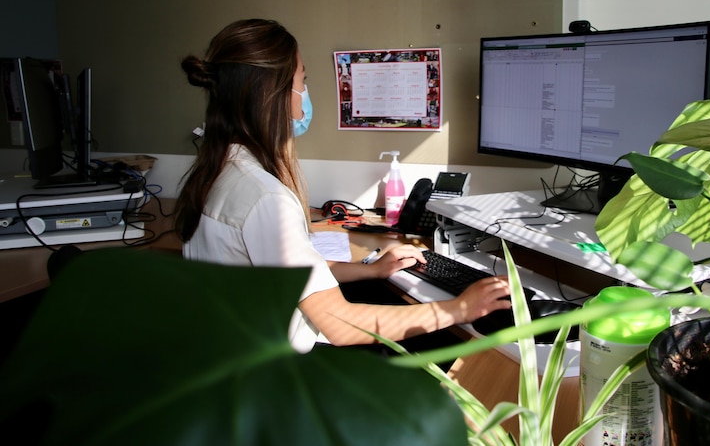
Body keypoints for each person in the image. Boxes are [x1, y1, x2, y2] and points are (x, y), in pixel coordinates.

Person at [174, 18, 512, 352]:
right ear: (273, 93)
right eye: (302, 80)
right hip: (278, 371)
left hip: (237, 352)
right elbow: (338, 325)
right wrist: (462, 308)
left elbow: (291, 271)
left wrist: (374, 269)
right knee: (439, 345)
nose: (304, 94)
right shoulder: (265, 198)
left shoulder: (216, 171)